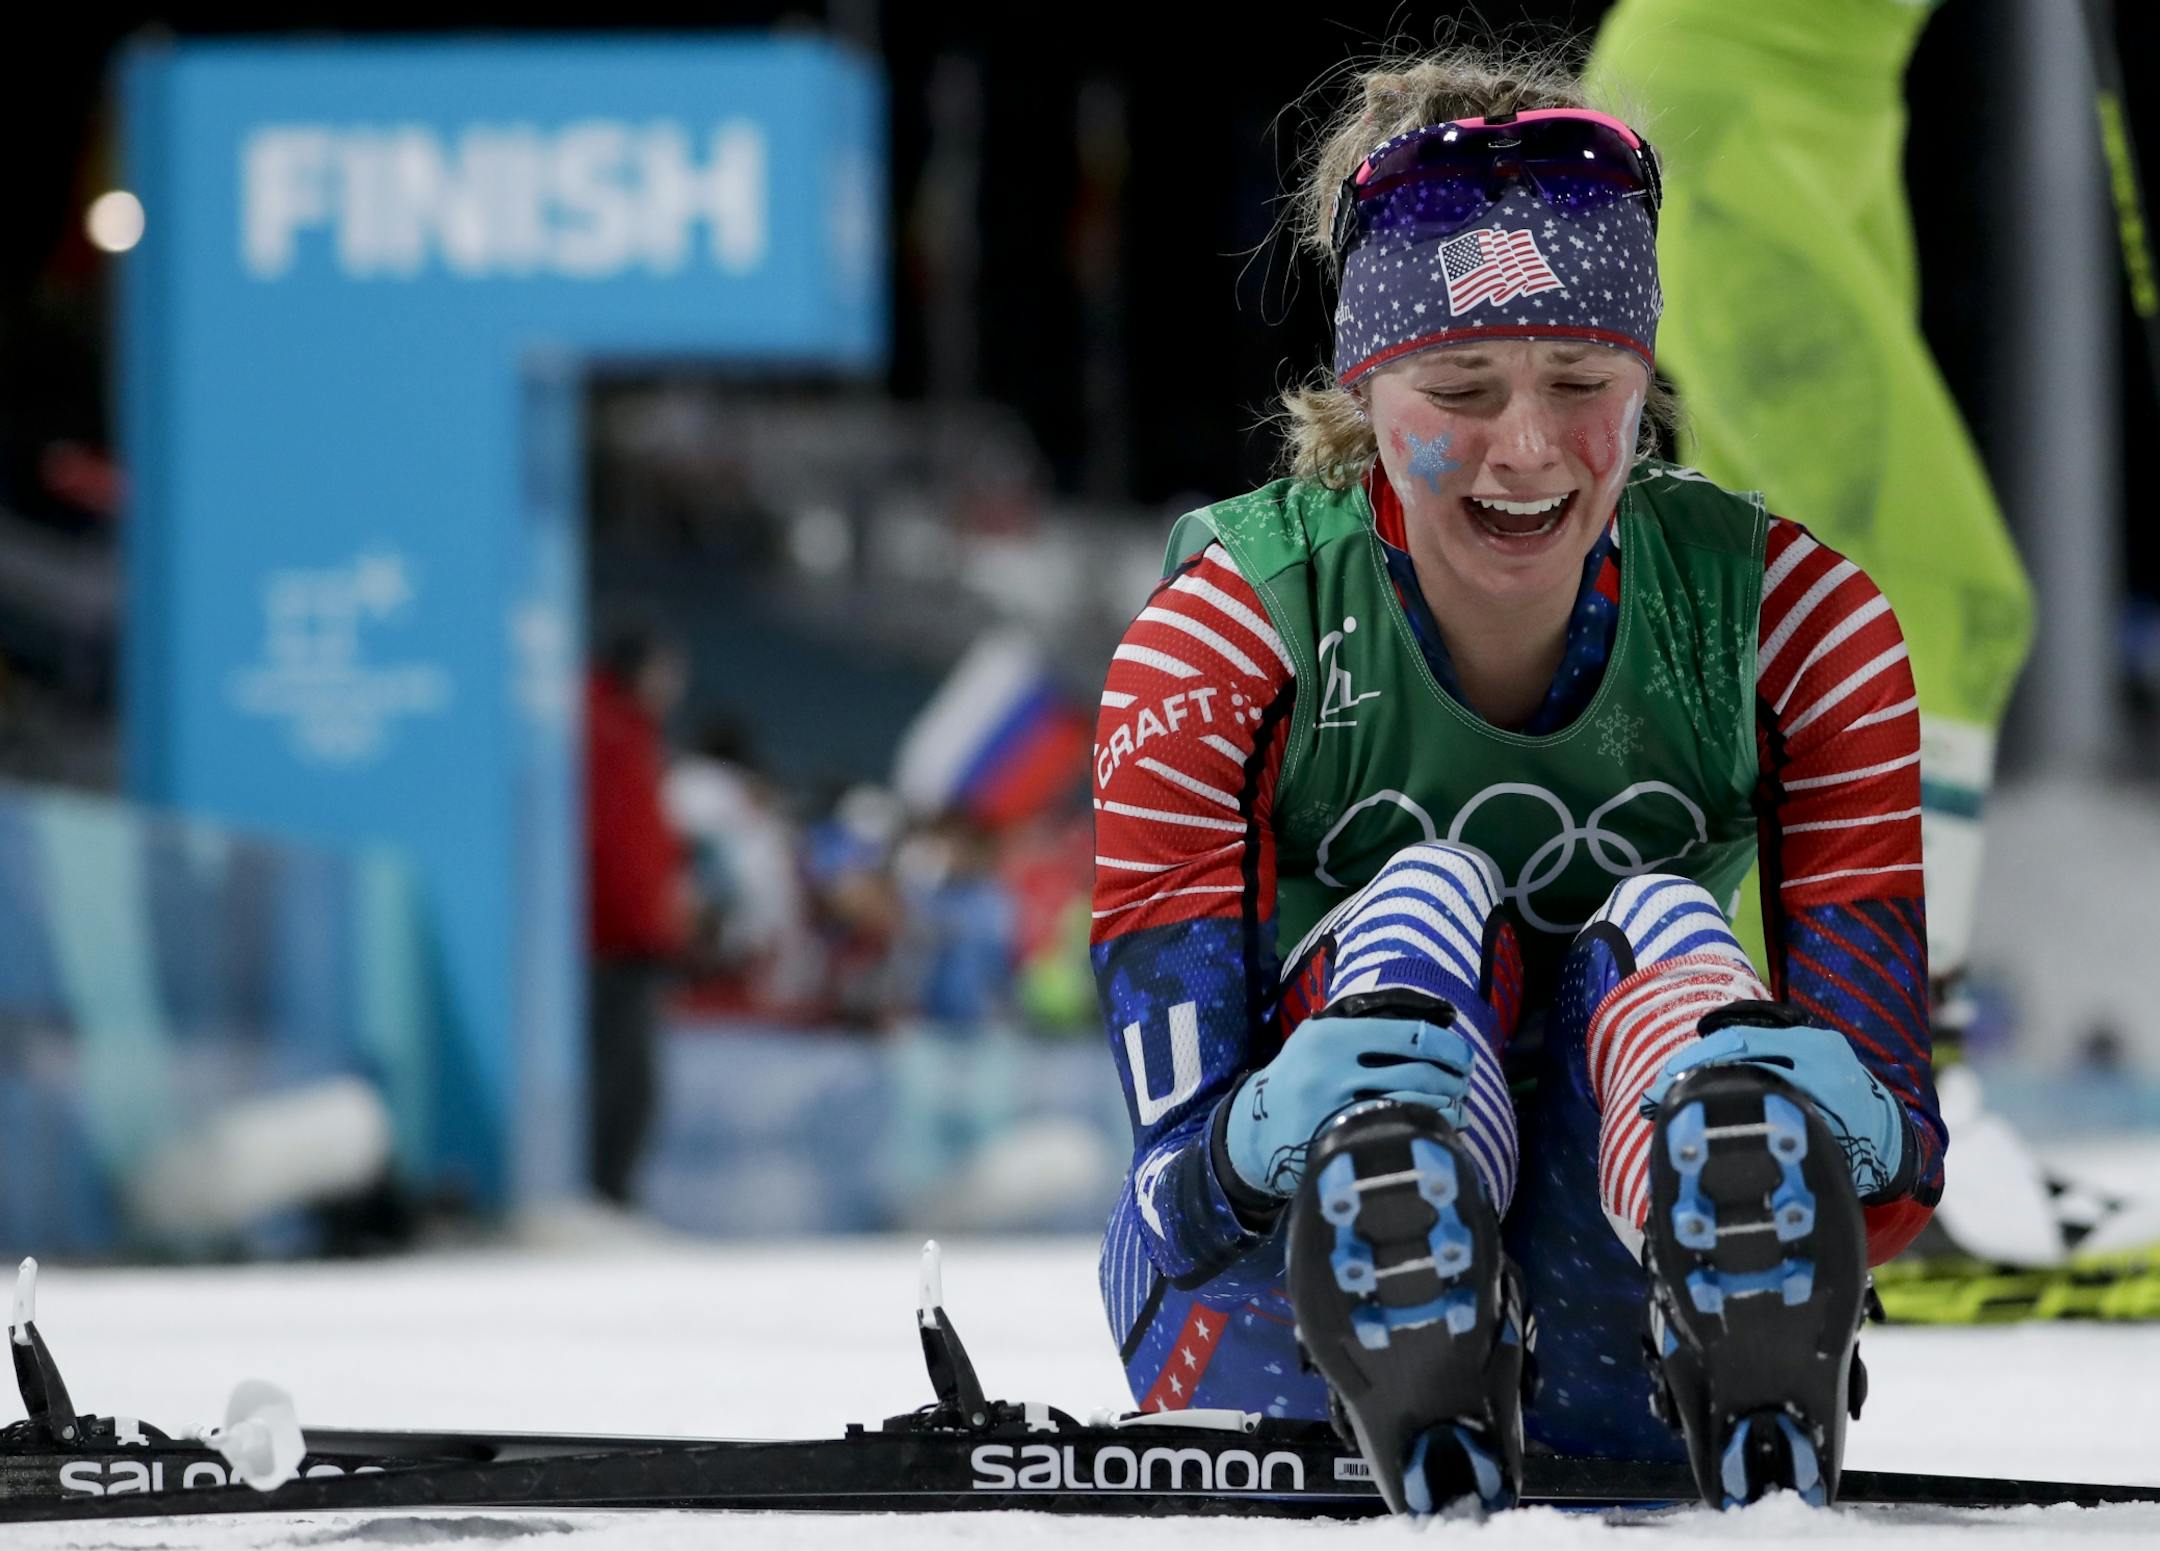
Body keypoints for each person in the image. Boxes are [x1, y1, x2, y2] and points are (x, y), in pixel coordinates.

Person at [1090, 46, 1941, 1517]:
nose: (1530, 447)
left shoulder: (1798, 628)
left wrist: (1845, 1116)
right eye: (1462, 385)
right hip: (1271, 1335)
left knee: (1668, 935)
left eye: (1585, 379)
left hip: (1638, 1330)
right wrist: (1258, 1127)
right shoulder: (1226, 636)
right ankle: (1400, 1222)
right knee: (1426, 906)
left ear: (1648, 373)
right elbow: (1175, 1205)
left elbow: (1899, 1167)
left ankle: (1699, 1209)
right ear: (1366, 381)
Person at [1587, 0, 2160, 1288]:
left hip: (1833, 121)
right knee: (1938, 600)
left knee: (1771, 641)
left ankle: (1752, 1111)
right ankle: (1902, 1134)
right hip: (1728, 113)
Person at [584, 621, 692, 1205]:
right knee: (617, 1080)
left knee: (634, 1083)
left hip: (632, 935)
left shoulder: (630, 731)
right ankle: (601, 1190)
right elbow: (613, 846)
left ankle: (611, 1190)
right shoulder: (602, 729)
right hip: (609, 939)